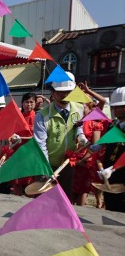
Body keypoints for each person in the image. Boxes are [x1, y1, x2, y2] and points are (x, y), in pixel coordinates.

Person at [33, 71, 86, 202]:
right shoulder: (42, 115)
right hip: (46, 165)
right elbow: (40, 144)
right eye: (60, 92)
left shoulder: (79, 109)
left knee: (65, 201)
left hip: (67, 164)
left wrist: (81, 136)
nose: (65, 95)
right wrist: (46, 169)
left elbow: (78, 127)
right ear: (52, 93)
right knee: (44, 203)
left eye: (68, 92)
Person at [96, 87, 125, 212]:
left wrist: (113, 169)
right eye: (115, 107)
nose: (117, 110)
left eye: (122, 106)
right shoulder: (113, 125)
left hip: (123, 177)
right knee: (111, 210)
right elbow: (104, 145)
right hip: (109, 178)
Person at [12, 92, 36, 196]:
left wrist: (20, 138)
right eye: (26, 102)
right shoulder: (18, 116)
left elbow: (36, 137)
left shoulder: (37, 117)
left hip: (30, 152)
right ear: (22, 103)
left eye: (31, 102)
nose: (29, 104)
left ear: (35, 103)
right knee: (16, 180)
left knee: (29, 181)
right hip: (17, 151)